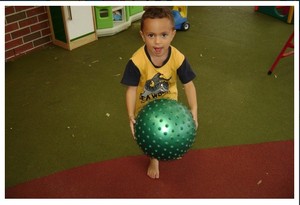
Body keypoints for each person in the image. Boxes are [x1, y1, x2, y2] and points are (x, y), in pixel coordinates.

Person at [121, 7, 198, 179]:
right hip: (146, 106)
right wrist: (130, 115)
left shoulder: (178, 57)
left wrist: (193, 110)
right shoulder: (136, 61)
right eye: (151, 35)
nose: (157, 42)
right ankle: (154, 159)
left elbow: (189, 85)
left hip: (170, 104)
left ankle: (173, 145)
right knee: (153, 135)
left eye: (163, 35)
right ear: (142, 35)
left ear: (172, 34)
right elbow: (131, 90)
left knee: (171, 132)